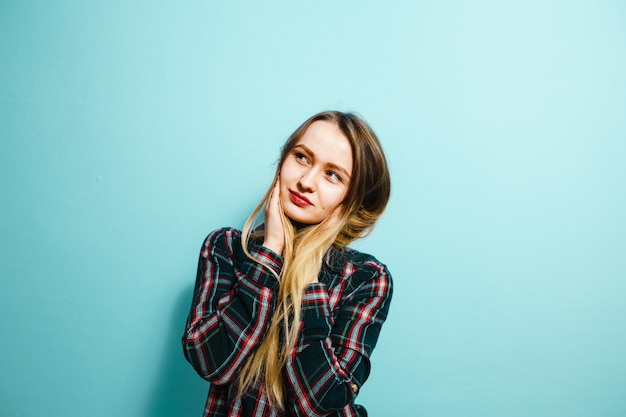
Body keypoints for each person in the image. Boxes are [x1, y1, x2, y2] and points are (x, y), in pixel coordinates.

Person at [182, 110, 393, 417]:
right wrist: (271, 251)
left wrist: (306, 279)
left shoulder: (366, 278)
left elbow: (321, 398)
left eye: (333, 175)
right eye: (302, 157)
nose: (306, 182)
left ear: (350, 198)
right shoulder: (225, 248)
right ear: (283, 161)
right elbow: (212, 364)